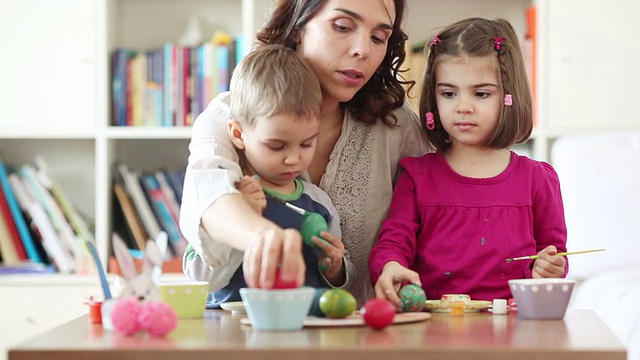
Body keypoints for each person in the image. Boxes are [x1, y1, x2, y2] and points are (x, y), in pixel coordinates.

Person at [179, 0, 428, 306]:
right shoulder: (229, 114)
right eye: (342, 27)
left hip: (363, 341)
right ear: (298, 26)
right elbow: (211, 198)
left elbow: (426, 220)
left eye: (378, 37)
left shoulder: (397, 124)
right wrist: (263, 236)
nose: (363, 50)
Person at [368, 17, 568, 306]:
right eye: (448, 93)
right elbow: (393, 243)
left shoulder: (537, 179)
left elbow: (555, 258)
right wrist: (390, 266)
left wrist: (550, 269)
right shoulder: (416, 176)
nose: (463, 107)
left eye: (481, 93)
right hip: (431, 328)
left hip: (512, 331)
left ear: (508, 97)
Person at [183, 44, 355, 307]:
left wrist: (335, 267)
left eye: (307, 144)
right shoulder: (229, 198)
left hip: (300, 329)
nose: (293, 158)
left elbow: (342, 280)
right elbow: (200, 280)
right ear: (238, 135)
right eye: (276, 146)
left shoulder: (318, 203)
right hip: (229, 332)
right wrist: (245, 218)